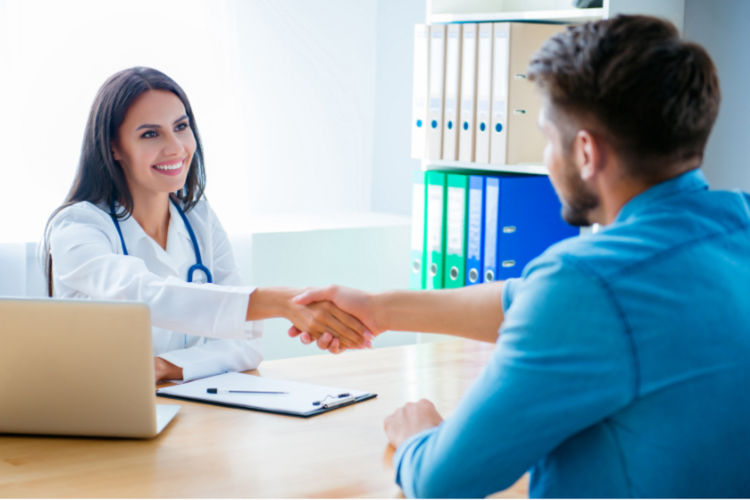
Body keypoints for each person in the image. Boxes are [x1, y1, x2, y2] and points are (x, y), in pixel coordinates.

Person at [290, 15, 750, 498]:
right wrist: (378, 309)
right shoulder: (730, 230)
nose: (549, 157)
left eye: (549, 138)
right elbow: (528, 299)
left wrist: (417, 436)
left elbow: (442, 482)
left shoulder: (583, 282)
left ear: (586, 152)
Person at [44, 67, 370, 384]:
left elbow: (244, 344)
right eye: (150, 134)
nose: (175, 147)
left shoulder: (197, 217)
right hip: (103, 409)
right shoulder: (77, 228)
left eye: (181, 127)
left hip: (190, 408)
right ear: (113, 147)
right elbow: (144, 295)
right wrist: (283, 302)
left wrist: (164, 367)